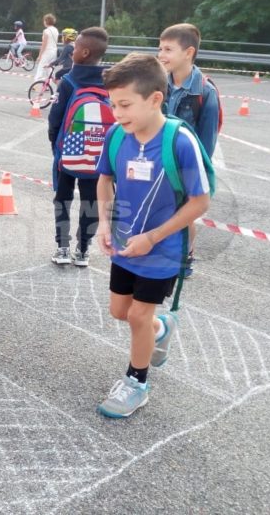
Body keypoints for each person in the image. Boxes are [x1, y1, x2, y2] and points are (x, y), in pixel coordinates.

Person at [95, 52, 211, 418]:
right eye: (114, 105)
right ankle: (162, 328)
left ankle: (136, 382)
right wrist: (103, 222)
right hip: (126, 245)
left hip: (162, 250)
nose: (117, 113)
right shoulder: (117, 136)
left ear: (155, 98)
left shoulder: (180, 142)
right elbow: (104, 179)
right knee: (120, 311)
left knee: (138, 317)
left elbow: (199, 202)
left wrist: (154, 236)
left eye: (125, 104)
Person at [158, 23, 220, 276]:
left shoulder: (205, 92)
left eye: (168, 49)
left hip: (186, 166)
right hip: (158, 160)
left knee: (183, 217)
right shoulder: (159, 82)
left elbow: (207, 143)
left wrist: (195, 175)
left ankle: (186, 255)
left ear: (189, 52)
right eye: (160, 48)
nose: (161, 54)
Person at [48, 27, 113, 267]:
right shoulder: (110, 80)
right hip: (98, 155)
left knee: (63, 199)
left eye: (75, 48)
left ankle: (62, 248)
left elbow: (54, 120)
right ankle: (83, 250)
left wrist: (57, 148)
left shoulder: (68, 81)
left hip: (70, 151)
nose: (72, 51)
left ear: (84, 52)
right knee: (91, 202)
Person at [34, 13, 59, 81]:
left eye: (44, 20)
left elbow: (44, 44)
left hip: (47, 51)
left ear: (46, 21)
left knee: (41, 67)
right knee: (49, 68)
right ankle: (47, 85)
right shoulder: (56, 30)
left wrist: (39, 56)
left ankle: (36, 84)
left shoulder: (46, 31)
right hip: (54, 51)